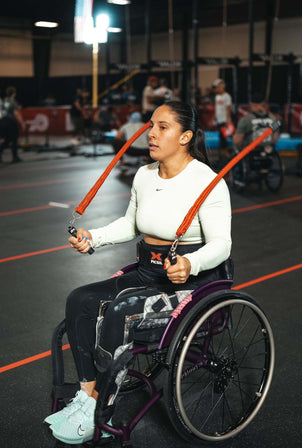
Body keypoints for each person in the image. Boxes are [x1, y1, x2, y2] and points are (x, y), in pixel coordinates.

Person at [45, 101, 232, 445]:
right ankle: (88, 397)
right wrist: (94, 238)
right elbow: (130, 224)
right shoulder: (145, 175)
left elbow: (222, 244)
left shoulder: (208, 182)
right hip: (148, 272)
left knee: (119, 313)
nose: (151, 133)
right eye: (151, 125)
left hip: (190, 284)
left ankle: (103, 412)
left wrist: (191, 263)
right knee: (80, 300)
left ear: (186, 136)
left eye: (163, 127)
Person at [0, 86, 25, 163]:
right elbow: (16, 114)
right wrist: (22, 123)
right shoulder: (13, 102)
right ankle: (15, 157)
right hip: (10, 122)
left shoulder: (3, 101)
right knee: (14, 139)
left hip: (3, 122)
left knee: (7, 140)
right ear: (14, 94)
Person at [212, 78, 232, 149]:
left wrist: (227, 120)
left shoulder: (227, 96)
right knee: (221, 136)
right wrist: (214, 117)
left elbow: (228, 109)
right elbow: (217, 108)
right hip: (219, 119)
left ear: (222, 87)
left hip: (224, 120)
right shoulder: (217, 97)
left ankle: (226, 151)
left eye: (218, 87)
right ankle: (223, 151)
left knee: (224, 136)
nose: (216, 89)